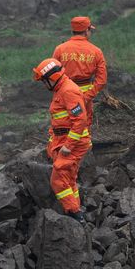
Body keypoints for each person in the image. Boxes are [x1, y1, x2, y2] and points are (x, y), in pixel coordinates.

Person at [34, 57, 90, 221]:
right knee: (69, 179)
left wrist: (68, 146)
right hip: (64, 139)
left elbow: (80, 120)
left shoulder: (68, 91)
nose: (44, 86)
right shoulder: (61, 89)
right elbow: (60, 119)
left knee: (58, 181)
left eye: (44, 81)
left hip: (73, 143)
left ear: (52, 78)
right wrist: (53, 141)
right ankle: (77, 210)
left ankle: (74, 214)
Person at [53, 16, 107, 121]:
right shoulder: (96, 51)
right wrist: (86, 97)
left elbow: (53, 76)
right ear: (86, 31)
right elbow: (101, 81)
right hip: (85, 93)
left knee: (62, 124)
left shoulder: (59, 49)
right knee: (82, 126)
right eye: (90, 30)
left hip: (63, 94)